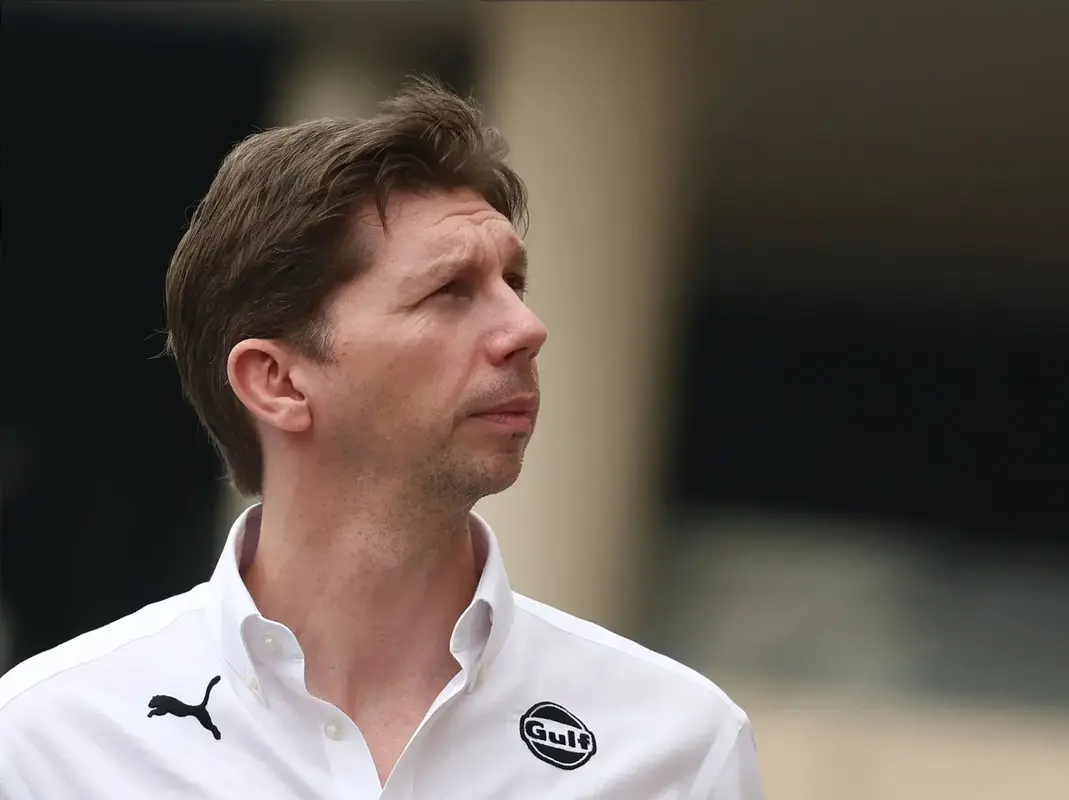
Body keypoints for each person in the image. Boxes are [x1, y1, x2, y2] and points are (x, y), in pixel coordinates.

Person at [0, 77, 763, 798]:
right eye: (449, 291)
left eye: (513, 283)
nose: (526, 328)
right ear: (277, 382)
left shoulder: (674, 744)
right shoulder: (46, 742)